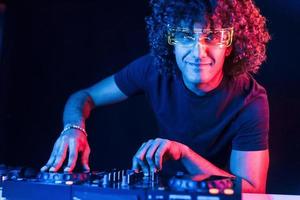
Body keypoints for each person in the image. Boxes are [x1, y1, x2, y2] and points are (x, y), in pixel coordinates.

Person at [41, 0, 271, 193]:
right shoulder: (152, 69)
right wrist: (73, 128)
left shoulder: (251, 100)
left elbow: (252, 189)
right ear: (171, 42)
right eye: (185, 36)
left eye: (212, 37)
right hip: (163, 192)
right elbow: (85, 96)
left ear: (229, 45)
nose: (198, 52)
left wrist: (183, 153)